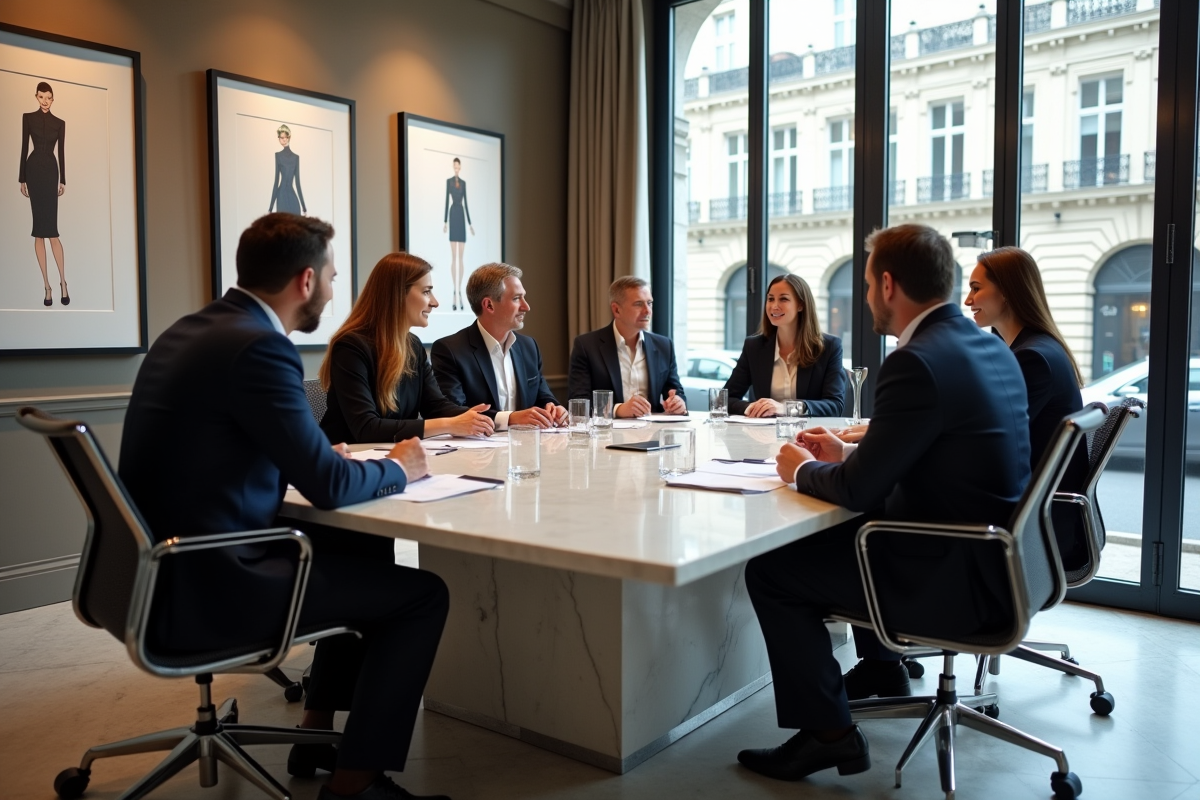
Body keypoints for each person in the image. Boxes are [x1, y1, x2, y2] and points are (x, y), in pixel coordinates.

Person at [118, 213, 451, 800]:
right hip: (217, 580)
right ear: (305, 280)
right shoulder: (259, 347)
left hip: (151, 574)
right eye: (330, 274)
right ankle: (355, 784)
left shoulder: (193, 330)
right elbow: (326, 487)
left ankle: (317, 726)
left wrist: (321, 451)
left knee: (357, 551)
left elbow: (230, 445)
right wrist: (400, 468)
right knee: (422, 595)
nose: (331, 286)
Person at [736, 224, 1030, 784]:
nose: (867, 296)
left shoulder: (914, 360)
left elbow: (858, 492)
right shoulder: (986, 346)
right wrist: (841, 457)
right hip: (996, 560)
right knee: (817, 543)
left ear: (889, 284)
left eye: (868, 284)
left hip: (943, 570)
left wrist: (803, 468)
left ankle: (830, 736)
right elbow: (929, 452)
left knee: (772, 571)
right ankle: (881, 667)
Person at [966, 245, 1090, 569]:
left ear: (1006, 291)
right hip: (1036, 512)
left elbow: (981, 438)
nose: (967, 301)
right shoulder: (1037, 349)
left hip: (1029, 522)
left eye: (976, 289)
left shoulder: (1032, 358)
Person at [319, 251, 494, 445]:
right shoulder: (350, 347)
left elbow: (435, 406)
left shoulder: (413, 345)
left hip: (392, 456)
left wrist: (493, 419)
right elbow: (366, 428)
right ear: (397, 294)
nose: (434, 302)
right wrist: (449, 424)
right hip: (347, 462)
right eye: (426, 291)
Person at [431, 262, 567, 429]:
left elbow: (542, 395)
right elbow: (454, 412)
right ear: (489, 305)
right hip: (476, 452)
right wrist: (510, 418)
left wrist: (553, 407)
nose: (526, 307)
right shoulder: (450, 350)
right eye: (517, 298)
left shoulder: (529, 346)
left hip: (526, 448)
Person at [723, 273, 846, 417]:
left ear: (800, 305)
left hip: (808, 435)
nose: (774, 306)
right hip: (762, 436)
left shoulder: (829, 347)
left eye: (783, 299)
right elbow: (725, 399)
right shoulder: (754, 346)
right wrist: (751, 407)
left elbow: (835, 405)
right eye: (770, 299)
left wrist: (787, 408)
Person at [567, 276, 687, 417]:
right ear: (617, 310)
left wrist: (678, 402)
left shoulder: (664, 345)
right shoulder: (586, 346)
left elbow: (674, 390)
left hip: (653, 432)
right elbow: (578, 402)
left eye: (649, 303)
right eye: (638, 304)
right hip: (608, 434)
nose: (647, 311)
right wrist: (618, 409)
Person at [19, 81, 68, 307]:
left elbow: (62, 152)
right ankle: (47, 286)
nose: (45, 101)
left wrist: (63, 179)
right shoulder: (28, 118)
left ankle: (63, 282)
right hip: (33, 172)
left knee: (53, 232)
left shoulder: (60, 123)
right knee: (39, 231)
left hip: (51, 172)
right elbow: (23, 147)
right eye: (41, 97)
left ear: (53, 98)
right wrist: (22, 179)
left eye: (48, 97)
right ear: (36, 97)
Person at [443, 157, 474, 310]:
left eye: (458, 167)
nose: (456, 169)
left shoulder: (463, 183)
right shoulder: (449, 182)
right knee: (453, 256)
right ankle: (455, 292)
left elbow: (466, 202)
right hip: (453, 214)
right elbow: (445, 201)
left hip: (461, 215)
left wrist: (470, 224)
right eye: (454, 166)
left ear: (460, 167)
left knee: (460, 257)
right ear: (453, 167)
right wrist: (445, 222)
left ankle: (459, 291)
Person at [269, 124, 306, 215]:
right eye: (281, 137)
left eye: (285, 137)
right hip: (281, 196)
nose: (284, 139)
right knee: (283, 226)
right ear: (279, 138)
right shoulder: (278, 155)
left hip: (291, 196)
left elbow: (297, 183)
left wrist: (304, 207)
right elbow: (276, 181)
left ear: (289, 137)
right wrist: (270, 207)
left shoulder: (296, 157)